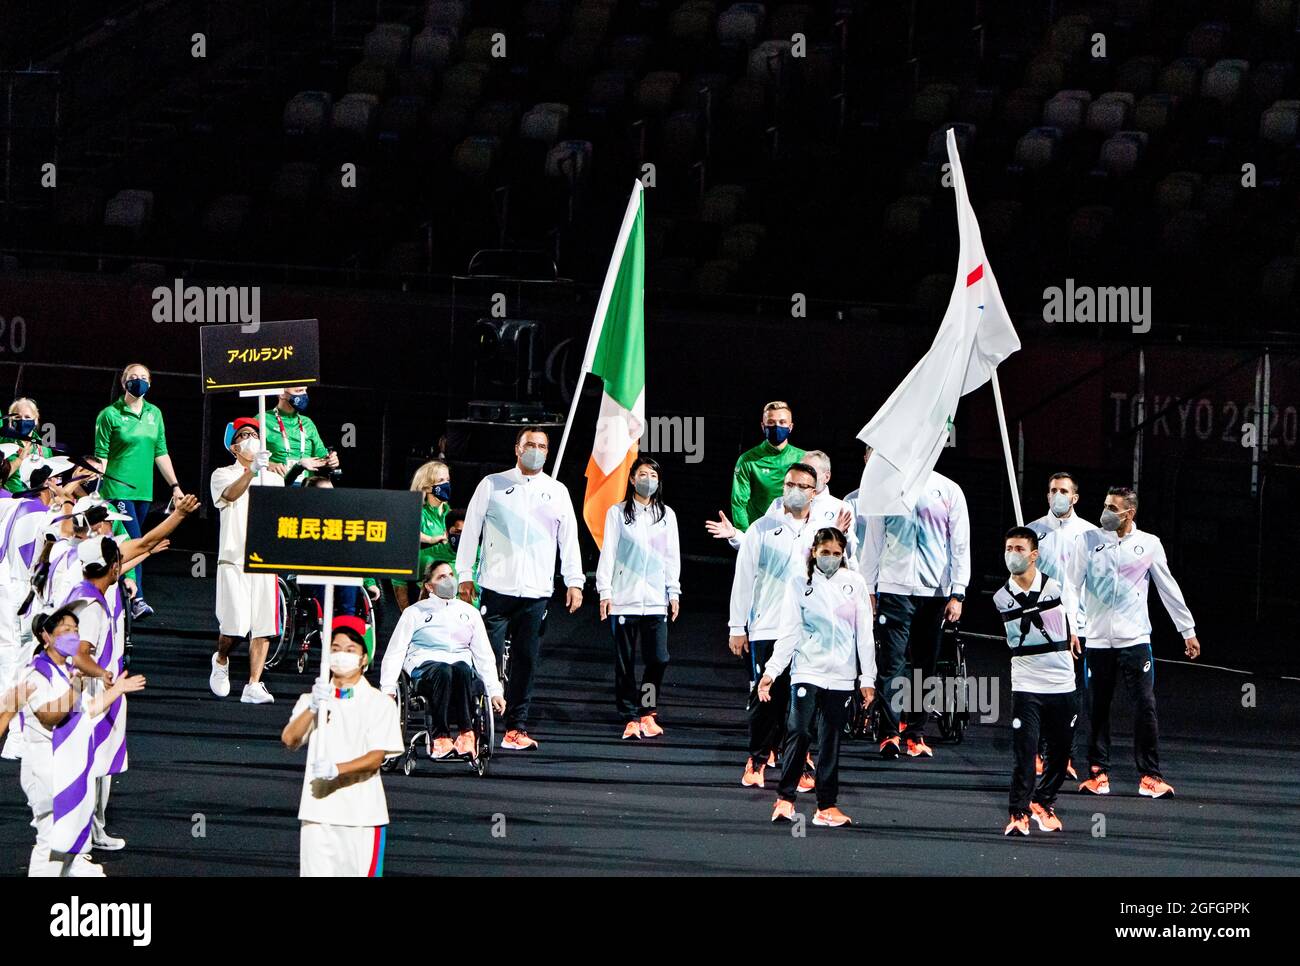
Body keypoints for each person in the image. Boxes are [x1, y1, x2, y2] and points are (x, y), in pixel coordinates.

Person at [1062, 486, 1200, 799]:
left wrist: (1187, 629)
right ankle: (1098, 774)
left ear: (1129, 513)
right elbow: (1071, 585)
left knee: (1145, 706)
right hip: (1096, 640)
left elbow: (1168, 586)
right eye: (1106, 505)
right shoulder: (1088, 541)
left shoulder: (1149, 544)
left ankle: (1150, 776)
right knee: (1097, 707)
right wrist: (1073, 625)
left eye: (1113, 508)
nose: (1106, 512)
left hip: (1135, 640)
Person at [455, 427, 582, 751]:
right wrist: (464, 575)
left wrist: (574, 581)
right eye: (530, 445)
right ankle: (471, 728)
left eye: (541, 446)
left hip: (536, 592)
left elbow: (568, 540)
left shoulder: (557, 492)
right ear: (517, 448)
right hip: (496, 589)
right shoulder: (493, 485)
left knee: (526, 660)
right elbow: (470, 531)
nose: (535, 450)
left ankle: (516, 727)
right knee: (486, 657)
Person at [760, 527, 875, 828]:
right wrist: (771, 671)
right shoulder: (799, 584)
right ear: (814, 552)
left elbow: (864, 634)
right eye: (825, 553)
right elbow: (789, 632)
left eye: (837, 554)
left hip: (841, 676)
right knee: (799, 731)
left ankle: (826, 806)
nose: (831, 559)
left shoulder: (855, 583)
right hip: (807, 671)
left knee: (831, 741)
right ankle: (785, 799)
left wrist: (868, 678)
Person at [858, 458, 970, 759]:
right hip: (894, 589)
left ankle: (915, 734)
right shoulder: (886, 488)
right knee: (892, 663)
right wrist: (868, 588)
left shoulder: (948, 490)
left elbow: (960, 544)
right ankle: (889, 734)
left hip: (934, 591)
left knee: (925, 666)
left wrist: (958, 592)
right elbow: (873, 542)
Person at [21, 606, 145, 876]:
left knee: (68, 832)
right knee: (51, 837)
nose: (73, 636)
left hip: (67, 764)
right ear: (47, 637)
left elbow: (88, 710)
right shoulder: (37, 673)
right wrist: (75, 688)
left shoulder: (68, 672)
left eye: (76, 631)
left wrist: (119, 690)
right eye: (66, 630)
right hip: (44, 765)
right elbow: (49, 716)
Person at [282, 620, 403, 877]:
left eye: (350, 650)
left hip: (362, 816)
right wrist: (312, 709)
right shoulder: (311, 699)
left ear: (363, 658)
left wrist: (337, 769)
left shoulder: (379, 703)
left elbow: (375, 758)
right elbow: (289, 740)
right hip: (317, 812)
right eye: (335, 648)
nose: (341, 655)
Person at [729, 462, 822, 789]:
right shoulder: (761, 528)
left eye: (801, 486)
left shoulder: (821, 533)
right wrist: (736, 626)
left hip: (808, 632)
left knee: (803, 701)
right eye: (789, 485)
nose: (793, 491)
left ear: (815, 492)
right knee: (765, 697)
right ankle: (756, 758)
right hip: (767, 626)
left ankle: (800, 761)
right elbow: (743, 580)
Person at [994, 527, 1076, 836]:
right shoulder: (1002, 597)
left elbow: (1073, 614)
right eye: (1008, 548)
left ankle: (1044, 802)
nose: (1012, 554)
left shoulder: (1057, 586)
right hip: (1027, 682)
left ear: (1033, 554)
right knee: (1024, 751)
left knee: (1060, 752)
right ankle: (1018, 813)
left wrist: (1075, 630)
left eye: (1018, 548)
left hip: (1062, 681)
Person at [380, 562, 505, 759]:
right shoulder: (414, 612)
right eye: (441, 577)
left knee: (463, 669)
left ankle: (466, 734)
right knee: (444, 671)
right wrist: (387, 688)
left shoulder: (469, 613)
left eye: (450, 574)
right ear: (429, 586)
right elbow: (395, 651)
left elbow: (484, 656)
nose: (449, 580)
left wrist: (495, 691)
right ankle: (440, 738)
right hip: (424, 667)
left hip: (459, 668)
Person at [90, 363, 185, 621]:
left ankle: (116, 589)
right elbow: (102, 457)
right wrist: (96, 489)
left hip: (144, 491)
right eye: (133, 377)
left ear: (150, 383)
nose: (139, 381)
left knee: (128, 544)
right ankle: (138, 598)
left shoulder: (155, 414)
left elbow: (160, 452)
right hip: (117, 488)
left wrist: (175, 486)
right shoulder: (109, 415)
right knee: (137, 540)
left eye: (144, 378)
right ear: (124, 382)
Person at [595, 456, 681, 739]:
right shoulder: (617, 513)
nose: (648, 480)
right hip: (624, 599)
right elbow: (608, 553)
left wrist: (673, 591)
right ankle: (630, 716)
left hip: (656, 601)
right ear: (632, 479)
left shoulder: (667, 515)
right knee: (625, 662)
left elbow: (672, 557)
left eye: (653, 476)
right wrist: (605, 592)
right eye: (643, 474)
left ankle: (647, 711)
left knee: (658, 658)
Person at [61, 536, 138, 850]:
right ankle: (89, 834)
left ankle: (91, 831)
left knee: (95, 764)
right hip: (95, 692)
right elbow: (79, 653)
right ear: (113, 566)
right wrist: (104, 677)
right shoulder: (92, 605)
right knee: (95, 764)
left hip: (86, 690)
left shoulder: (84, 593)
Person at [0, 455, 76, 759]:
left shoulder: (10, 506)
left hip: (7, 587)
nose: (61, 484)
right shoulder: (42, 515)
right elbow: (67, 533)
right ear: (48, 483)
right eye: (58, 480)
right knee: (18, 667)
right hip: (25, 597)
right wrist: (67, 503)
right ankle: (15, 738)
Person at [208, 417, 283, 705]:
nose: (251, 437)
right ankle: (222, 658)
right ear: (234, 446)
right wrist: (251, 471)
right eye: (244, 434)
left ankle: (254, 683)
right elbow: (230, 495)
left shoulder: (274, 478)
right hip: (234, 557)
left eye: (254, 433)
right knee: (235, 625)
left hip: (265, 558)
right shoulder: (222, 474)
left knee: (264, 626)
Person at [1027, 471, 1097, 778]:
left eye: (1063, 490)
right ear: (1047, 495)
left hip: (1078, 626)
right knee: (1040, 691)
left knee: (1071, 695)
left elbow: (1095, 585)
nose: (1058, 494)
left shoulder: (1092, 535)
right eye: (1053, 489)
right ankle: (1040, 753)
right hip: (1041, 624)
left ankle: (1065, 756)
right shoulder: (1031, 532)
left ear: (1075, 497)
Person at [706, 448, 854, 550]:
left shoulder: (841, 508)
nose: (805, 475)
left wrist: (842, 535)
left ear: (826, 476)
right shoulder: (779, 504)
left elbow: (850, 555)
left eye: (811, 471)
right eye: (802, 469)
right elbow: (759, 543)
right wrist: (734, 535)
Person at [718, 401, 806, 536]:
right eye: (771, 422)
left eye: (782, 422)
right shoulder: (748, 460)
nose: (777, 426)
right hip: (760, 533)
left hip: (795, 534)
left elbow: (815, 497)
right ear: (763, 426)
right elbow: (739, 503)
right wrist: (746, 537)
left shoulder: (804, 458)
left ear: (790, 426)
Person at [393, 461, 454, 612]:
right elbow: (407, 533)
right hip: (423, 576)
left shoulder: (451, 514)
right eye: (441, 481)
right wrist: (432, 539)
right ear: (427, 487)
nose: (446, 484)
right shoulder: (417, 512)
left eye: (448, 480)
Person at [262, 385, 340, 479]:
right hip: (275, 484)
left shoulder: (307, 422)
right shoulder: (263, 419)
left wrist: (331, 461)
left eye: (305, 390)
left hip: (305, 486)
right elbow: (244, 456)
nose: (304, 395)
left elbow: (322, 457)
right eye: (299, 391)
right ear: (282, 394)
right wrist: (267, 464)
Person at [2, 398, 52, 495]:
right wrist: (19, 460)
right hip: (8, 501)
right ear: (10, 420)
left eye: (27, 417)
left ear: (36, 420)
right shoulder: (2, 444)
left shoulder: (44, 448)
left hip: (35, 502)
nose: (22, 421)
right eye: (17, 417)